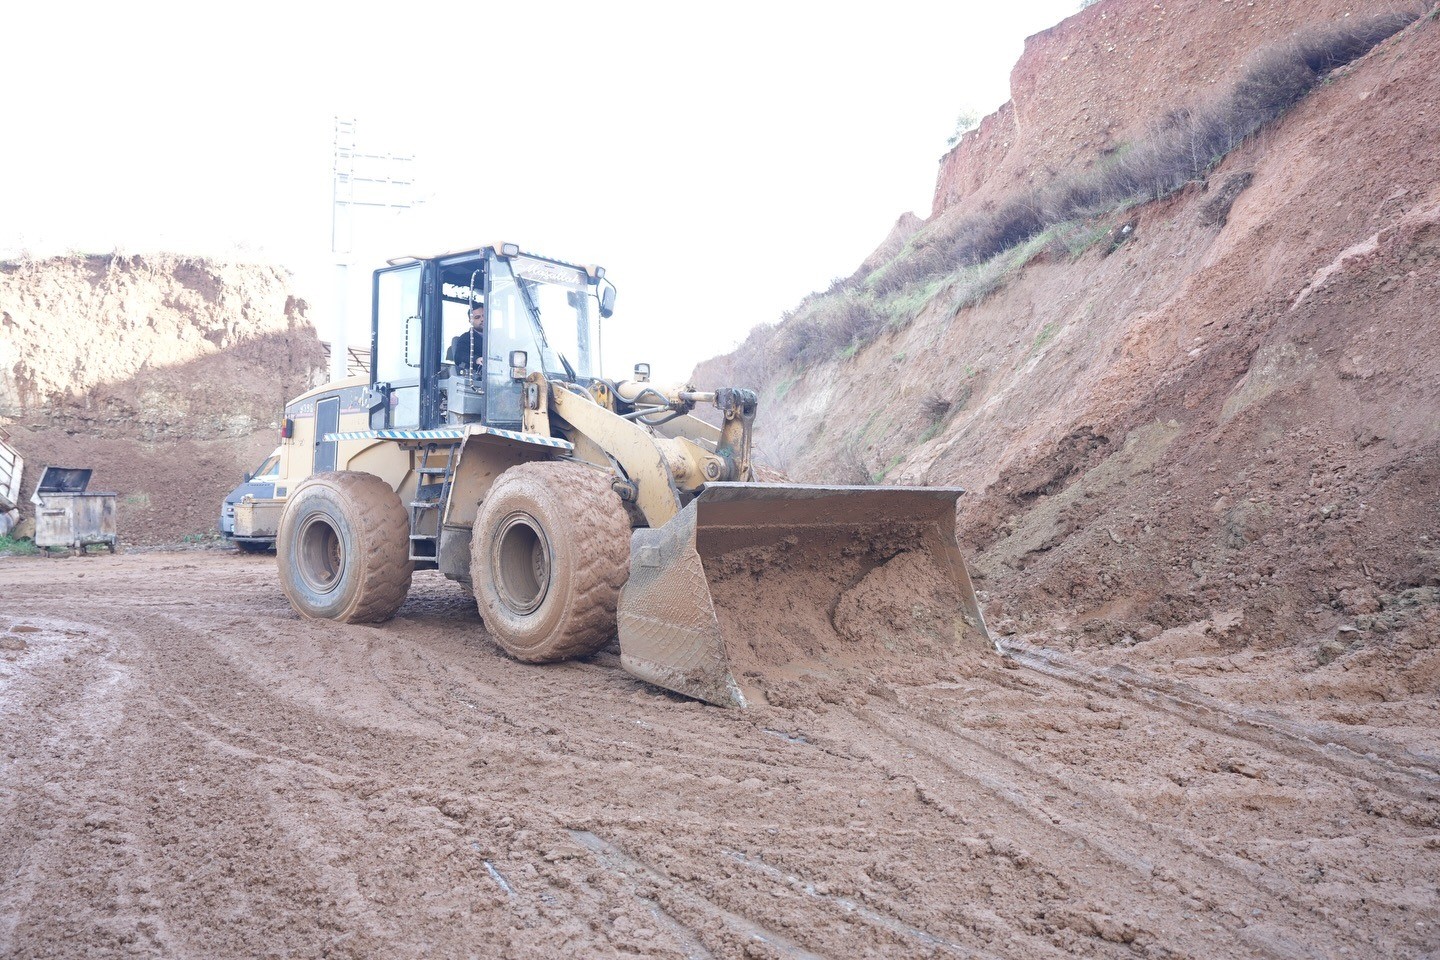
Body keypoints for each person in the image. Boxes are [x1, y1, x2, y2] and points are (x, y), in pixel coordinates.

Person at [448, 302, 486, 373]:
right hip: (479, 377)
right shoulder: (466, 338)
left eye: (484, 315)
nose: (482, 319)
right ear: (470, 321)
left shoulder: (497, 336)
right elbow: (459, 355)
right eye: (477, 317)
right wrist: (477, 359)